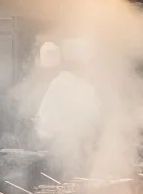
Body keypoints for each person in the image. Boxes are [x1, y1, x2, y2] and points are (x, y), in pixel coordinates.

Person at [35, 41, 100, 180]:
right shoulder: (83, 85)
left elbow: (44, 125)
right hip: (84, 150)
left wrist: (39, 135)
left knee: (66, 181)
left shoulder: (57, 84)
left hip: (64, 152)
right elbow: (95, 116)